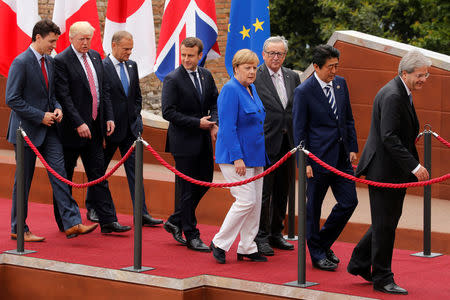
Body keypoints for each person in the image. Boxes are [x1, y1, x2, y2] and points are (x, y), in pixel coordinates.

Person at [348, 50, 431, 295]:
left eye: (426, 75)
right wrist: (414, 167)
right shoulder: (394, 95)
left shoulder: (399, 90)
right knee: (385, 225)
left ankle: (360, 262)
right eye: (420, 75)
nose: (424, 79)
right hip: (384, 172)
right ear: (404, 73)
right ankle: (382, 278)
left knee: (385, 222)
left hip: (389, 170)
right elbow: (389, 137)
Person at [6, 19, 98, 241]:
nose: (54, 46)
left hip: (50, 132)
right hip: (26, 132)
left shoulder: (50, 61)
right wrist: (40, 116)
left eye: (56, 41)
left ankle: (72, 223)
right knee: (24, 182)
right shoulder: (21, 62)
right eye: (51, 41)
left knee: (60, 175)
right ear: (38, 37)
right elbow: (12, 99)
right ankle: (18, 229)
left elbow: (53, 95)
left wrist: (57, 108)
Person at [54, 21, 131, 234]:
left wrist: (109, 117)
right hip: (71, 130)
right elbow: (64, 96)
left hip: (95, 129)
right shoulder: (61, 60)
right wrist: (78, 122)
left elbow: (103, 90)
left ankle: (108, 220)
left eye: (89, 38)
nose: (86, 43)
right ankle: (66, 221)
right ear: (71, 38)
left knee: (98, 175)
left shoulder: (96, 57)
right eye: (82, 39)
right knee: (66, 176)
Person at [84, 31, 163, 226]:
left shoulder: (132, 65)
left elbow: (136, 96)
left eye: (131, 49)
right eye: (126, 49)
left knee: (135, 172)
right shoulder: (101, 67)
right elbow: (102, 98)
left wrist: (136, 118)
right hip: (110, 130)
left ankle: (141, 213)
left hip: (131, 130)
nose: (129, 52)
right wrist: (104, 125)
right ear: (114, 45)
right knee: (99, 170)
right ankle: (93, 207)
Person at [293, 44, 358, 271]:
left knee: (350, 202)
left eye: (336, 66)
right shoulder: (304, 91)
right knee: (313, 210)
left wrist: (352, 147)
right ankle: (317, 254)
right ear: (316, 67)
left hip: (341, 158)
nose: (334, 71)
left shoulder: (341, 84)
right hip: (317, 160)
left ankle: (322, 242)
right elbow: (299, 129)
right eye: (330, 67)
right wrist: (305, 162)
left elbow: (348, 118)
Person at [210, 49, 270, 264]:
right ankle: (219, 242)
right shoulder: (230, 90)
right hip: (234, 157)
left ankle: (247, 246)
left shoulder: (251, 88)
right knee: (245, 201)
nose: (252, 71)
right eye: (247, 67)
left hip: (256, 156)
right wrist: (237, 158)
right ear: (236, 69)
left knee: (255, 203)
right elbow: (227, 127)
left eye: (254, 67)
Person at [161, 37, 218, 252]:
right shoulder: (172, 79)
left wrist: (214, 122)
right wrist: (197, 123)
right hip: (183, 142)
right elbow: (168, 112)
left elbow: (214, 100)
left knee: (206, 180)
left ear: (199, 55)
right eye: (183, 55)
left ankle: (175, 219)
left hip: (203, 139)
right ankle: (191, 233)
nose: (186, 59)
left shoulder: (206, 75)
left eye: (190, 55)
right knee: (186, 188)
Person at [253, 36, 300, 256]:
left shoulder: (293, 77)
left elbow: (295, 110)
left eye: (280, 53)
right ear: (263, 54)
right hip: (263, 143)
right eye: (271, 53)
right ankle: (260, 236)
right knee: (264, 192)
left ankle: (275, 232)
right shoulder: (255, 76)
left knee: (283, 190)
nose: (275, 57)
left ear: (285, 55)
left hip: (288, 143)